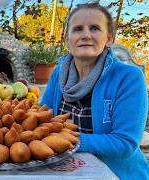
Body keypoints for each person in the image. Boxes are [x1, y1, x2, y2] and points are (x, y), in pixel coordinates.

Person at [40, 3, 148, 179]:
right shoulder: (58, 73)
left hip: (115, 174)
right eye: (78, 29)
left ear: (109, 39)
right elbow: (43, 119)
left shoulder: (128, 77)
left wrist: (64, 141)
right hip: (65, 170)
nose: (86, 35)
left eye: (95, 28)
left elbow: (124, 143)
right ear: (67, 40)